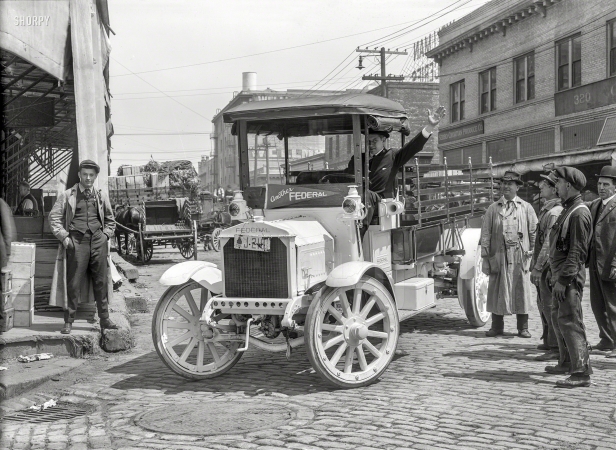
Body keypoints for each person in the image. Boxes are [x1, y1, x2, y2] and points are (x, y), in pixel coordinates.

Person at [344, 107, 445, 230]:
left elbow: (413, 146)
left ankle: (358, 235)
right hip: (356, 201)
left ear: (383, 140)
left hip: (380, 202)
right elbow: (346, 178)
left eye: (374, 141)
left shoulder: (392, 156)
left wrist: (430, 126)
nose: (370, 145)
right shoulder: (358, 158)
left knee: (366, 195)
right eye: (368, 142)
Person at [48, 160, 118, 334]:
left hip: (97, 242)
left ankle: (104, 320)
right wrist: (65, 238)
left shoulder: (101, 196)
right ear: (79, 175)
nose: (88, 178)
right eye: (85, 174)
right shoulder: (68, 195)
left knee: (101, 281)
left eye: (91, 175)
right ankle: (69, 321)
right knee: (73, 283)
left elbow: (110, 220)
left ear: (95, 177)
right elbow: (53, 218)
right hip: (76, 242)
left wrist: (105, 236)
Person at [545, 166, 592, 388]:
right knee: (559, 318)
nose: (556, 186)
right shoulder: (567, 209)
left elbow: (577, 252)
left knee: (571, 321)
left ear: (569, 185)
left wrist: (563, 281)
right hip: (561, 275)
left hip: (569, 277)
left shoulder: (579, 212)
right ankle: (565, 362)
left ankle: (581, 372)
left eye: (559, 182)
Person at [480, 170, 537, 338]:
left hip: (520, 257)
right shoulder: (493, 209)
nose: (505, 186)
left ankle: (523, 328)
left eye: (509, 183)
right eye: (503, 183)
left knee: (521, 290)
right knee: (497, 290)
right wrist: (485, 259)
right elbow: (485, 235)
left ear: (517, 187)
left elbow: (534, 233)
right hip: (498, 257)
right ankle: (497, 327)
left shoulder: (526, 208)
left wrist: (533, 255)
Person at [530, 172, 563, 361]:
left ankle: (555, 346)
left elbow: (547, 244)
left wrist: (538, 267)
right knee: (543, 303)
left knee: (550, 305)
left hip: (548, 267)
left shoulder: (553, 212)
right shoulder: (548, 209)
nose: (541, 188)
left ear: (553, 189)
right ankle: (549, 339)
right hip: (544, 266)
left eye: (545, 185)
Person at [586, 165, 616, 359]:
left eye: (606, 184)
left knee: (613, 305)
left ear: (615, 187)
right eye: (599, 183)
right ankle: (606, 339)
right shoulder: (596, 204)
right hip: (595, 263)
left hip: (610, 263)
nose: (602, 187)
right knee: (598, 304)